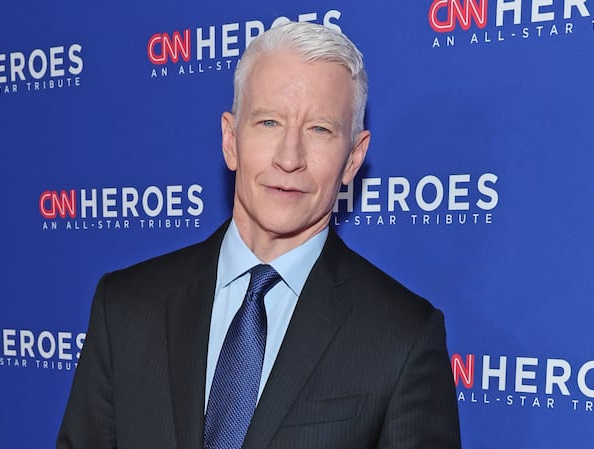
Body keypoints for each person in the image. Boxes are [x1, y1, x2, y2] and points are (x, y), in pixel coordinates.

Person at [57, 21, 461, 449]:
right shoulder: (124, 307)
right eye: (269, 122)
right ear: (231, 140)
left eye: (319, 130)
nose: (290, 158)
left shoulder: (402, 338)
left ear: (352, 159)